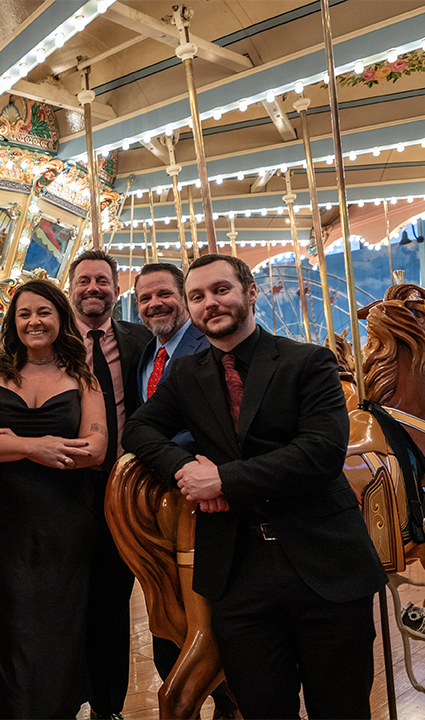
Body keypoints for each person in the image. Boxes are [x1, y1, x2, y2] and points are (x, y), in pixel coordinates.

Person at [123, 254, 387, 720]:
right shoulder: (188, 375)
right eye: (198, 296)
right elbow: (139, 431)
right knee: (261, 708)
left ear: (250, 292)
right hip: (238, 569)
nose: (210, 303)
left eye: (221, 290)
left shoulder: (307, 362)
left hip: (323, 559)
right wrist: (186, 470)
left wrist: (223, 479)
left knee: (342, 708)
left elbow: (320, 453)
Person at [0, 278, 107, 719]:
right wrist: (33, 445)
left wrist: (8, 438)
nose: (33, 321)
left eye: (43, 312)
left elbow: (94, 451)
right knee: (13, 623)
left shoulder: (84, 377)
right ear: (12, 321)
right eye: (24, 314)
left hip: (67, 518)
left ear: (61, 317)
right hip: (6, 520)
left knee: (62, 623)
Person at [133, 263, 238, 720]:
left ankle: (230, 701)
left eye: (165, 295)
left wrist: (191, 469)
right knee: (169, 609)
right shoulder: (148, 353)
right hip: (162, 505)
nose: (155, 304)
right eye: (144, 299)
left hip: (209, 500)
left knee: (216, 612)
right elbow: (143, 424)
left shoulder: (209, 346)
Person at [66, 249, 151, 720]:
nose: (93, 288)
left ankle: (108, 706)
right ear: (71, 288)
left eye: (102, 281)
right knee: (65, 595)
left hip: (121, 488)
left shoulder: (139, 342)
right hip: (66, 488)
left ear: (117, 291)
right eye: (84, 281)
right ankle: (64, 695)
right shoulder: (52, 340)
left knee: (114, 600)